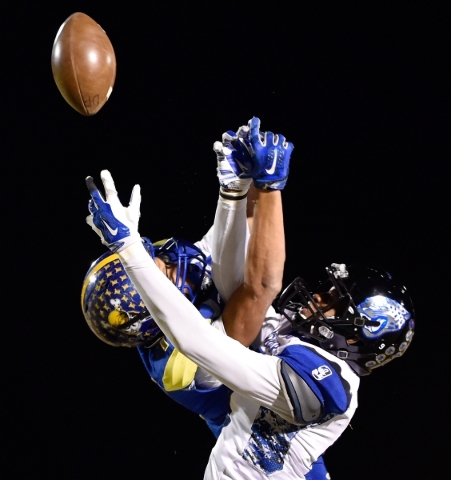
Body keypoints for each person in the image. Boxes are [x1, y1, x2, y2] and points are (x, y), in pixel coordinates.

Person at [83, 119, 414, 478]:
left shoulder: (332, 384)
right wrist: (254, 189)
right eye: (328, 292)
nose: (316, 299)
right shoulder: (179, 370)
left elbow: (244, 287)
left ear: (357, 335)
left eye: (332, 299)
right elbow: (249, 288)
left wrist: (239, 189)